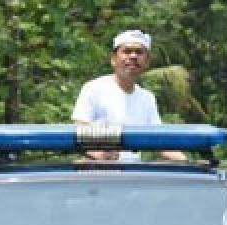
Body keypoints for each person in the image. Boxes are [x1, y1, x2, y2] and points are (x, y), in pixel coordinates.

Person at [71, 29, 184, 161]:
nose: (133, 56)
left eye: (139, 52)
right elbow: (78, 129)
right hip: (96, 172)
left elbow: (160, 141)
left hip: (132, 174)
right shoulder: (94, 88)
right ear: (113, 59)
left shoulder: (147, 98)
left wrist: (189, 163)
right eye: (127, 51)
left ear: (147, 61)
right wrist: (98, 153)